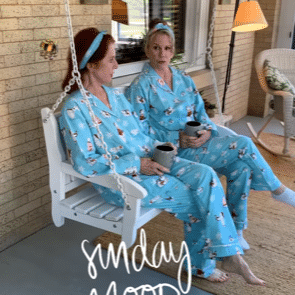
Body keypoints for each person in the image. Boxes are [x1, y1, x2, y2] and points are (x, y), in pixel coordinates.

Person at [59, 27, 265, 285]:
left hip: (152, 162)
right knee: (198, 197)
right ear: (91, 64)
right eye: (111, 59)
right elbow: (84, 162)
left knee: (206, 176)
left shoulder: (115, 96)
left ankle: (227, 254)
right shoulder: (74, 108)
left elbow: (141, 137)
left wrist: (167, 148)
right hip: (123, 181)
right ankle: (206, 263)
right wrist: (137, 164)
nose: (116, 64)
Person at [125, 19, 295, 251]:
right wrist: (177, 139)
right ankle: (278, 190)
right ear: (147, 50)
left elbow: (201, 114)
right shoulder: (140, 85)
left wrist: (206, 132)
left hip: (200, 144)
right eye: (156, 47)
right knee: (243, 143)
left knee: (242, 168)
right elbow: (140, 131)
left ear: (173, 51)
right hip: (174, 153)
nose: (161, 53)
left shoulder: (184, 79)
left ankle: (236, 229)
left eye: (166, 48)